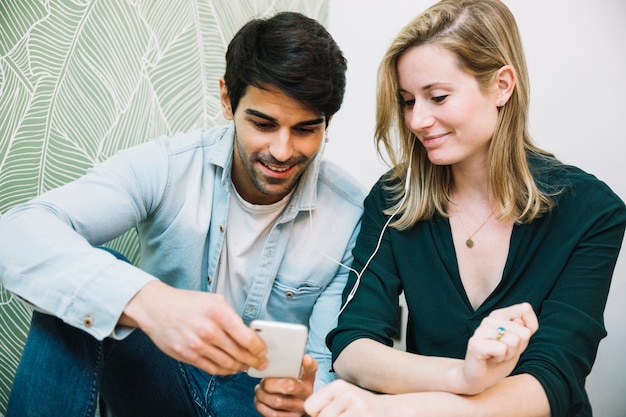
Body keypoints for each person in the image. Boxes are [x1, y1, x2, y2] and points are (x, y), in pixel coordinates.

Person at [0, 11, 365, 417]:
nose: (282, 151)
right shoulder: (168, 165)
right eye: (263, 123)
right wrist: (153, 304)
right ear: (227, 99)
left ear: (327, 123)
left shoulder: (349, 212)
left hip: (254, 406)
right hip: (160, 384)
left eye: (304, 130)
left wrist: (307, 395)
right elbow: (16, 233)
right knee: (82, 287)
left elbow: (326, 360)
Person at [303, 1, 626, 416]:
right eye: (407, 101)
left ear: (502, 85)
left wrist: (393, 410)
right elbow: (352, 346)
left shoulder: (592, 211)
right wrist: (463, 377)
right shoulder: (394, 199)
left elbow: (552, 381)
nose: (418, 120)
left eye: (437, 96)